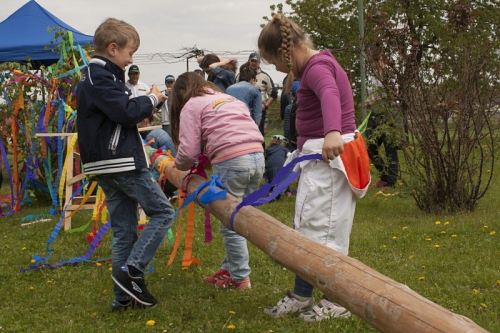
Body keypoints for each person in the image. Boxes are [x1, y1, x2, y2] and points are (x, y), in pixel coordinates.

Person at [258, 14, 370, 322]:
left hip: (331, 161)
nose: (277, 69)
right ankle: (302, 295)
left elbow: (330, 95)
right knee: (307, 231)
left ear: (285, 53)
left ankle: (338, 299)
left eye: (275, 62)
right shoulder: (310, 68)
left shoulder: (318, 68)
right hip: (317, 159)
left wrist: (332, 131)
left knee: (326, 232)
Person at [76, 17, 174, 310]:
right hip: (119, 161)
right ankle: (132, 271)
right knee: (163, 212)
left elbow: (118, 112)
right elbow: (125, 111)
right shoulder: (101, 76)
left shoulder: (97, 77)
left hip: (107, 163)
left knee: (125, 231)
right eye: (130, 52)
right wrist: (153, 99)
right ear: (113, 48)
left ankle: (123, 298)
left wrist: (142, 102)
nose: (132, 59)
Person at [170, 72, 264, 290]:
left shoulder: (192, 104)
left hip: (232, 161)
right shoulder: (229, 99)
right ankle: (230, 268)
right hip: (258, 158)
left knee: (231, 223)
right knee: (242, 216)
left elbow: (188, 152)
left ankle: (240, 278)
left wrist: (179, 165)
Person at [365, 56, 400, 188]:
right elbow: (372, 93)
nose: (373, 64)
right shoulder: (372, 76)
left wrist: (376, 100)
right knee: (370, 147)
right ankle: (385, 176)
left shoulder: (389, 74)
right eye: (372, 61)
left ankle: (391, 181)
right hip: (375, 115)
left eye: (376, 61)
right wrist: (369, 102)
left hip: (389, 113)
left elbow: (395, 93)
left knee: (390, 148)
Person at [245, 52, 278, 137]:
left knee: (259, 134)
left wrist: (266, 106)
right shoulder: (242, 75)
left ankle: (261, 150)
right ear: (248, 61)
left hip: (259, 109)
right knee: (245, 134)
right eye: (252, 61)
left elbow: (273, 93)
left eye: (256, 61)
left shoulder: (265, 76)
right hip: (244, 110)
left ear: (259, 63)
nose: (254, 63)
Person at [283, 79, 299, 151]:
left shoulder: (289, 108)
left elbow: (287, 128)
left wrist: (287, 142)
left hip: (294, 141)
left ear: (291, 94)